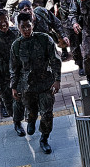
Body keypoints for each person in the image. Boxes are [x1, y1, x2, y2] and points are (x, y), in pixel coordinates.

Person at [9, 11, 62, 153]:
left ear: (32, 24)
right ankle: (31, 120)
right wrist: (14, 87)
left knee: (47, 113)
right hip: (27, 87)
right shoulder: (16, 46)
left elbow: (55, 60)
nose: (26, 30)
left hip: (45, 83)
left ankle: (44, 138)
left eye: (28, 26)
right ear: (18, 27)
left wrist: (57, 80)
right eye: (23, 27)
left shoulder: (44, 39)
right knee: (31, 110)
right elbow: (14, 69)